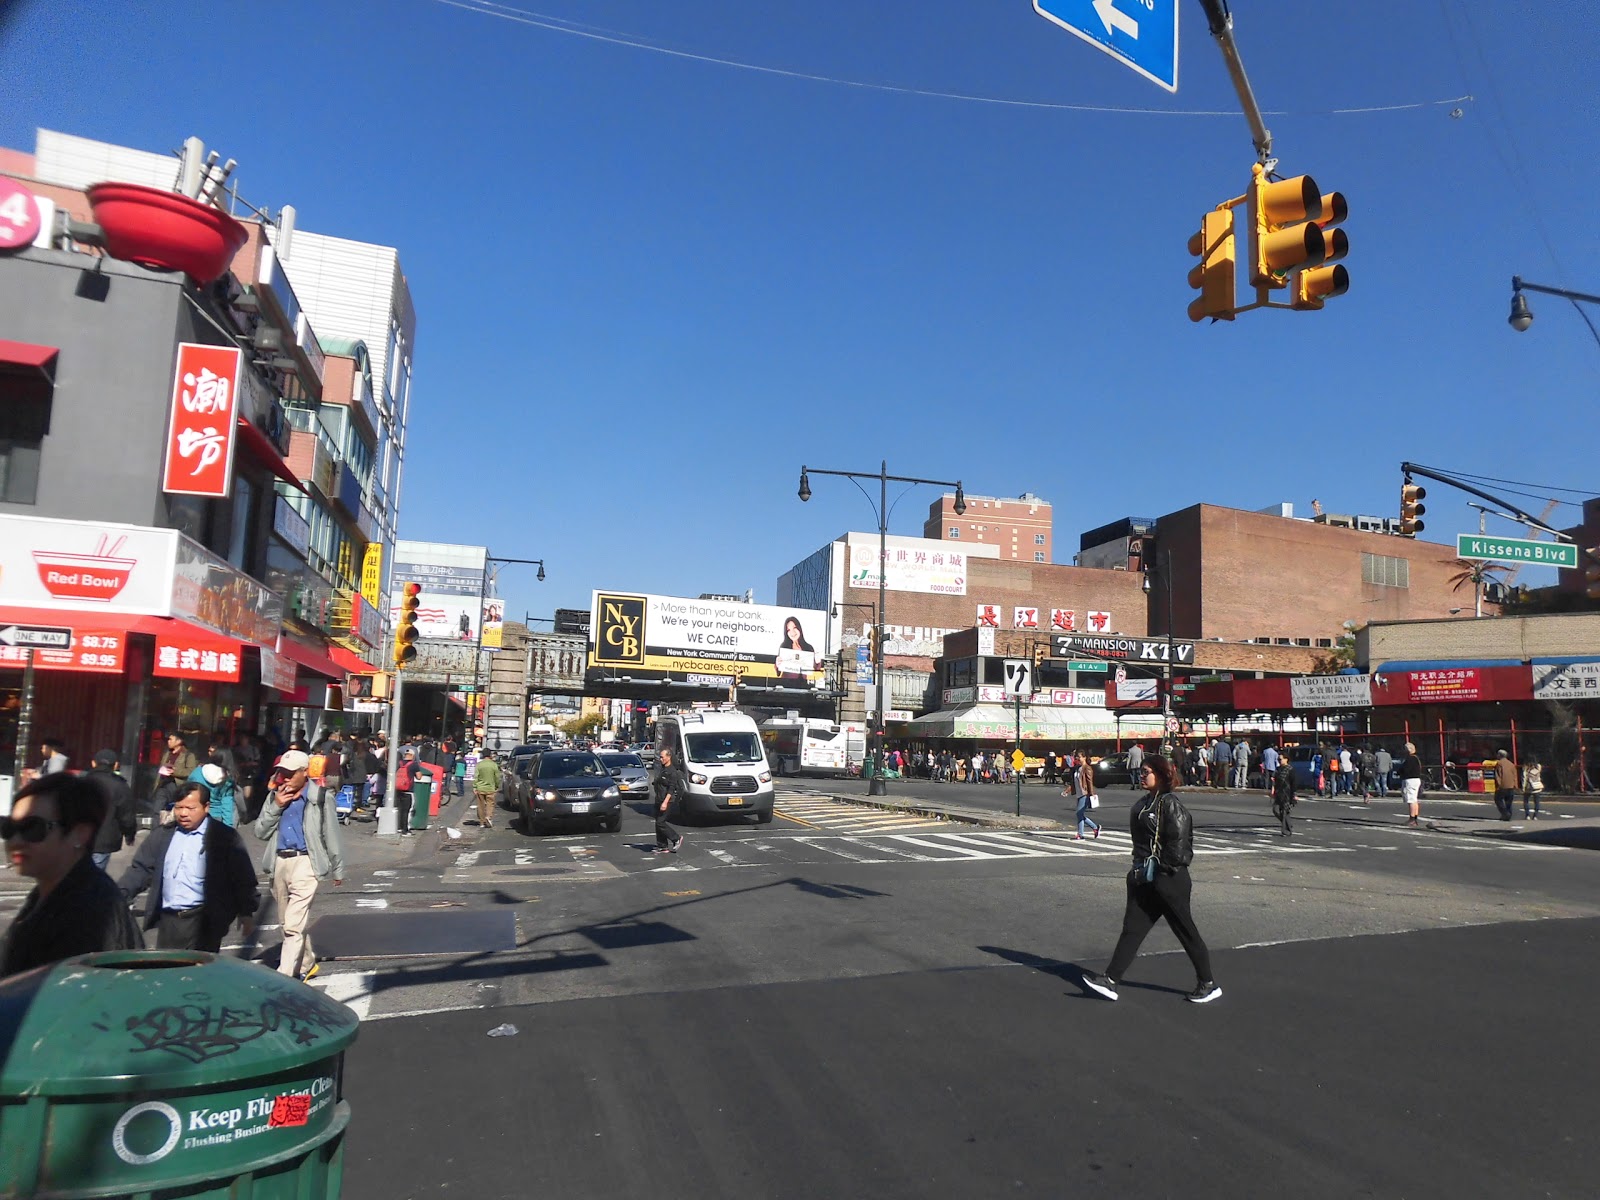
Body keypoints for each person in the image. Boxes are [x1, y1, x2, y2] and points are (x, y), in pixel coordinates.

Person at [1080, 754, 1221, 1005]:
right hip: (1144, 879)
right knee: (1132, 929)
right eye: (1141, 772)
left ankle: (1208, 984)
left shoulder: (1170, 804)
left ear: (1162, 775)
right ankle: (1110, 980)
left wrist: (1160, 871)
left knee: (1185, 931)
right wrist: (1139, 873)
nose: (1142, 776)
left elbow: (1179, 848)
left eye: (1147, 772)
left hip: (1169, 879)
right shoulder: (1147, 802)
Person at [1, 773, 144, 977]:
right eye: (8, 828)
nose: (15, 841)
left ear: (80, 834)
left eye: (32, 828)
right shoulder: (48, 892)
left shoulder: (90, 910)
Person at [118, 781, 259, 952]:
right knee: (168, 971)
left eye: (190, 808)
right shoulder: (163, 836)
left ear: (206, 807)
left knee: (199, 973)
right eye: (179, 807)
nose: (183, 813)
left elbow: (241, 875)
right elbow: (140, 869)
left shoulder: (223, 837)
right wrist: (118, 895)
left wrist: (246, 911)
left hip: (204, 920)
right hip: (169, 920)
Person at [254, 749, 344, 981]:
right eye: (281, 772)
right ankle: (307, 962)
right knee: (288, 922)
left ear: (305, 773)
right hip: (279, 862)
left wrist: (337, 867)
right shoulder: (275, 795)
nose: (284, 778)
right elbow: (260, 832)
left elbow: (331, 833)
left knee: (293, 923)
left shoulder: (320, 797)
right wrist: (276, 805)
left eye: (290, 773)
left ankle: (284, 976)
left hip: (307, 862)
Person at [87, 749, 139, 871]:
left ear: (93, 763)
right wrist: (129, 834)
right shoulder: (120, 786)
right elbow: (127, 815)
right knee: (94, 877)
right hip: (103, 841)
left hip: (78, 840)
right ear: (116, 765)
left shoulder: (81, 782)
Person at [651, 745, 686, 854]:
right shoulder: (663, 769)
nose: (661, 759)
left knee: (661, 822)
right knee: (657, 823)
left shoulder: (672, 772)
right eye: (660, 757)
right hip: (659, 799)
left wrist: (665, 802)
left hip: (667, 801)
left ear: (668, 757)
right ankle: (662, 846)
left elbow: (671, 789)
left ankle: (676, 838)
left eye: (662, 757)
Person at [776, 616, 815, 682]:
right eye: (788, 630)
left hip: (803, 684)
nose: (792, 632)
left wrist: (817, 661)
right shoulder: (784, 646)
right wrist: (777, 664)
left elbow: (815, 668)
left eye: (794, 628)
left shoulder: (808, 648)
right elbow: (778, 672)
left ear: (799, 628)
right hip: (786, 684)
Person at [1071, 754, 1101, 840]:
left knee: (1079, 813)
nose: (1078, 759)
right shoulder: (1077, 768)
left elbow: (1089, 781)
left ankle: (1081, 834)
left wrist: (1092, 793)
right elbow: (1074, 782)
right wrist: (1068, 791)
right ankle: (1095, 828)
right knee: (1080, 814)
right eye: (1077, 757)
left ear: (1084, 757)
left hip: (1085, 793)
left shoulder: (1087, 768)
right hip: (1079, 794)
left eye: (1079, 757)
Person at [473, 751, 502, 830]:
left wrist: (475, 787)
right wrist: (496, 786)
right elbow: (497, 777)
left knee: (481, 805)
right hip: (490, 788)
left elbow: (476, 777)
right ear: (490, 755)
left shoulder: (479, 765)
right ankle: (488, 816)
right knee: (490, 803)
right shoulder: (494, 765)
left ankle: (482, 822)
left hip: (480, 788)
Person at [1397, 741, 1424, 828]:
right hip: (1416, 779)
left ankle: (1412, 818)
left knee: (1411, 799)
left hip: (1410, 780)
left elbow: (1405, 770)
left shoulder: (1410, 759)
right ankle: (1415, 817)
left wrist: (1400, 771)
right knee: (1414, 799)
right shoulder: (1416, 758)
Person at [1272, 754, 1297, 837]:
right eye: (1278, 759)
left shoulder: (1290, 769)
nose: (1279, 761)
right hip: (1279, 792)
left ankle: (1286, 831)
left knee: (1285, 812)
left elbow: (1294, 783)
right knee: (1275, 809)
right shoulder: (1278, 769)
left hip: (1287, 793)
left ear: (1286, 759)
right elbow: (1275, 780)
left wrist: (1294, 795)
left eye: (1281, 759)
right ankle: (1287, 824)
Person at [1492, 750, 1519, 822]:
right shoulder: (1511, 764)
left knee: (1498, 799)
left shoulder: (1499, 763)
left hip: (1503, 786)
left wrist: (1498, 785)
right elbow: (1515, 775)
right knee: (1508, 802)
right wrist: (1515, 785)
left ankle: (1505, 814)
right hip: (1511, 785)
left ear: (1499, 755)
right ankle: (1508, 815)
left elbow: (1498, 775)